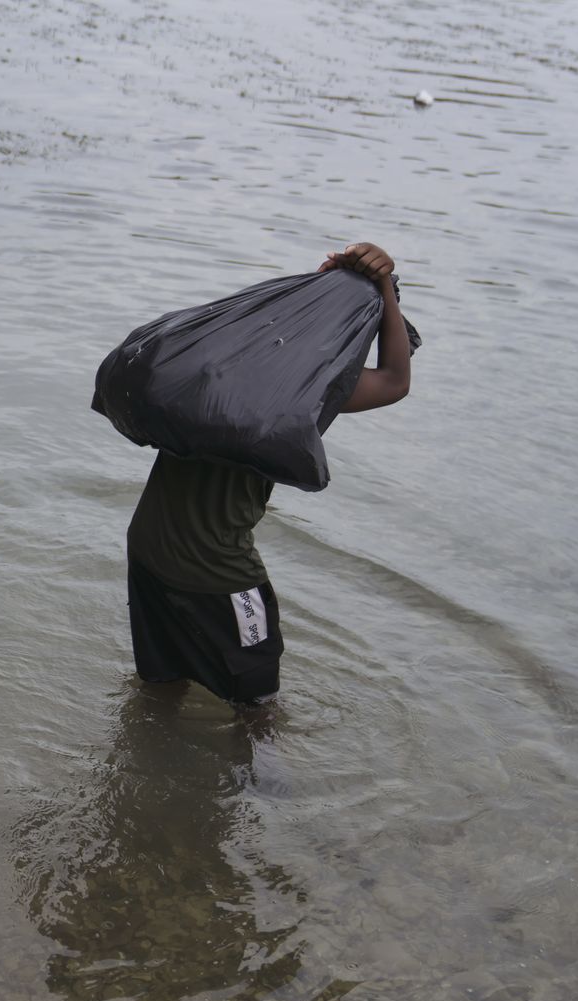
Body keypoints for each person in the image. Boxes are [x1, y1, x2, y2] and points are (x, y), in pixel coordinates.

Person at [126, 242, 413, 706]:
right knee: (258, 700)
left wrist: (323, 284)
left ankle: (145, 759)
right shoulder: (307, 390)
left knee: (162, 682)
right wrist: (385, 291)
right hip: (217, 569)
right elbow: (395, 381)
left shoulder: (216, 354)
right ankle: (260, 781)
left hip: (147, 547)